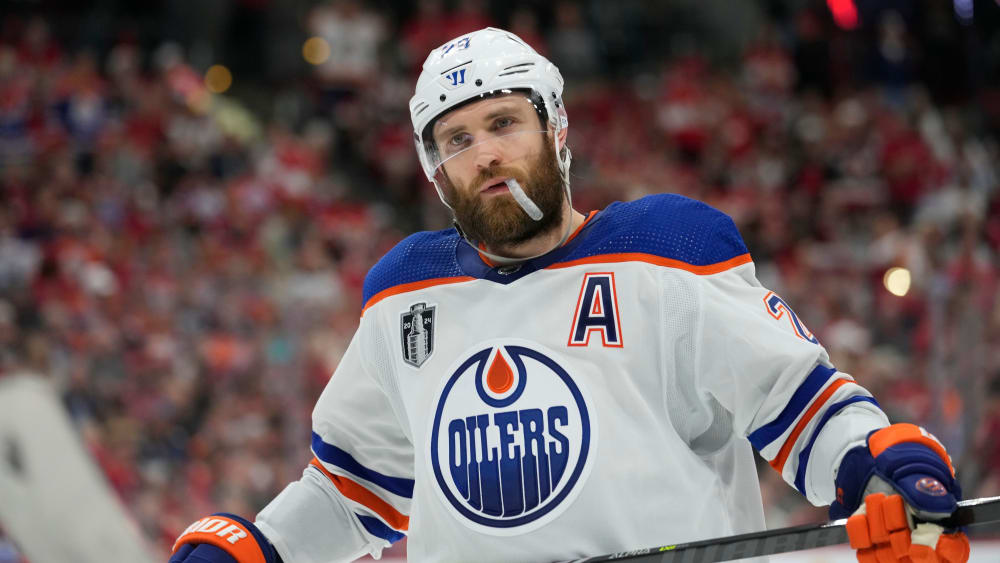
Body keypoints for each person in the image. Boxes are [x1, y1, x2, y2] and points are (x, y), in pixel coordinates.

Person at [170, 28, 970, 563]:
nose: (485, 153)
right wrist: (259, 546)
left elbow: (803, 406)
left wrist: (879, 467)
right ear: (434, 171)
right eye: (457, 140)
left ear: (555, 130)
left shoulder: (670, 251)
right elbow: (352, 490)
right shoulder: (403, 296)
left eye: (504, 122)